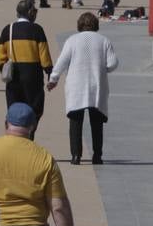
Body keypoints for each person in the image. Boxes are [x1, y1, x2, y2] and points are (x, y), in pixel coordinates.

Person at [47, 12, 119, 165]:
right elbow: (113, 63)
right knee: (96, 123)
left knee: (75, 122)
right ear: (96, 25)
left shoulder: (72, 40)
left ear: (79, 25)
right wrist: (102, 68)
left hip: (76, 87)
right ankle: (97, 156)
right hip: (96, 86)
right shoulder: (104, 41)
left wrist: (53, 79)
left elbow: (61, 62)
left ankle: (76, 156)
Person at [0, 0, 53, 131]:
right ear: (30, 12)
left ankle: (14, 134)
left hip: (13, 78)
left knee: (14, 110)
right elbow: (44, 56)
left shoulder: (7, 30)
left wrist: (5, 71)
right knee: (35, 109)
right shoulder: (37, 30)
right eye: (35, 11)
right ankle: (29, 135)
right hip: (33, 78)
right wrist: (49, 71)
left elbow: (0, 58)